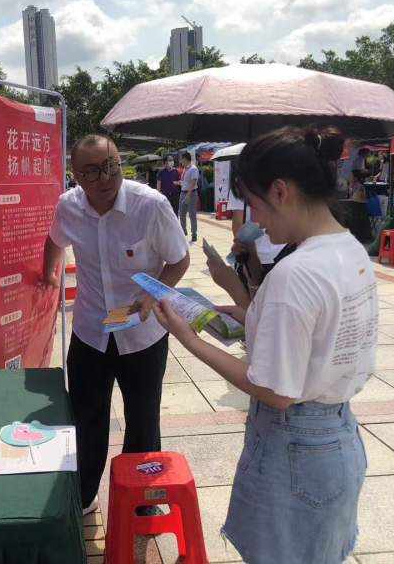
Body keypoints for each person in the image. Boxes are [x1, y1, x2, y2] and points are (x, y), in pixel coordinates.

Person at [153, 125, 375, 564]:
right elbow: (320, 334)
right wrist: (253, 315)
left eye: (253, 205)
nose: (255, 222)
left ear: (279, 192)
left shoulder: (295, 273)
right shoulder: (348, 248)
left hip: (295, 446)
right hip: (338, 435)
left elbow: (276, 390)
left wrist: (188, 337)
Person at [41, 133, 190, 516]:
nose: (106, 178)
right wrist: (48, 272)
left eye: (111, 166)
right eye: (93, 171)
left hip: (142, 333)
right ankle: (85, 494)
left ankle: (141, 500)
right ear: (76, 175)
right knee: (86, 418)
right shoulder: (68, 206)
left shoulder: (150, 205)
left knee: (143, 419)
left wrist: (153, 294)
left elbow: (179, 259)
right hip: (90, 331)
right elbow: (55, 240)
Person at [178, 152, 199, 242]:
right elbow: (185, 181)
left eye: (181, 158)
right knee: (182, 215)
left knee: (192, 215)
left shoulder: (193, 169)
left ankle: (194, 234)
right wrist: (180, 183)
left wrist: (188, 195)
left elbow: (193, 182)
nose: (180, 160)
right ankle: (183, 232)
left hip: (191, 194)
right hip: (182, 193)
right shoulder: (185, 169)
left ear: (185, 159)